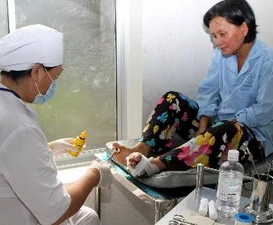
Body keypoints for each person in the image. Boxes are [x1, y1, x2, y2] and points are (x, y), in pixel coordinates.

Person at [112, 0, 273, 177]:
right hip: (217, 128)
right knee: (172, 99)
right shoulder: (222, 56)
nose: (217, 42)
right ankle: (143, 147)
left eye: (222, 34)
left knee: (225, 129)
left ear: (244, 28)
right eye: (214, 36)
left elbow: (265, 111)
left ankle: (157, 164)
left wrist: (224, 125)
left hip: (252, 137)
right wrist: (203, 127)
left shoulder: (268, 61)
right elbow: (208, 90)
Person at [0, 24, 113, 225]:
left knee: (88, 217)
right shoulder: (18, 128)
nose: (53, 84)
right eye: (54, 77)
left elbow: (0, 159)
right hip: (17, 219)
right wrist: (95, 174)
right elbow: (57, 212)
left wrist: (47, 149)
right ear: (37, 71)